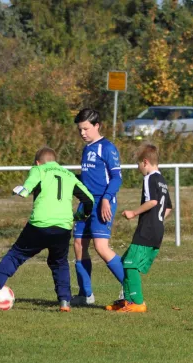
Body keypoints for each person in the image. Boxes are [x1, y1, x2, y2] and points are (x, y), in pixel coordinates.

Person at [0, 147, 94, 312]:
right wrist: (82, 215)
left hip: (39, 225)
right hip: (63, 228)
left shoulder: (38, 169)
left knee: (15, 256)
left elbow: (29, 184)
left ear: (38, 162)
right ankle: (65, 302)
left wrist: (23, 191)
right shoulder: (68, 174)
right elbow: (88, 199)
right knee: (59, 263)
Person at [106, 144, 172, 313]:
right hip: (157, 229)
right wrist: (158, 220)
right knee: (125, 260)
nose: (138, 168)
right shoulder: (162, 180)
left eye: (138, 164)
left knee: (130, 264)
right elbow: (168, 209)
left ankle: (137, 302)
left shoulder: (150, 178)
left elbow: (153, 202)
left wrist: (133, 213)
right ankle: (126, 301)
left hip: (148, 229)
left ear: (145, 162)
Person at [72, 108, 125, 305]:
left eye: (86, 129)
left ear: (97, 126)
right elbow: (88, 178)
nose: (82, 133)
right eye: (80, 130)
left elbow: (117, 177)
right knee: (78, 245)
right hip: (85, 204)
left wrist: (106, 199)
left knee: (101, 247)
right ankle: (85, 295)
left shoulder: (107, 148)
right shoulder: (87, 149)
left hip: (102, 203)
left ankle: (130, 289)